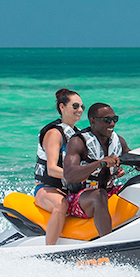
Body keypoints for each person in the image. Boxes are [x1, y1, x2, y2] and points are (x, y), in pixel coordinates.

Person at [63, 102, 140, 236]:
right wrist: (100, 163)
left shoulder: (118, 141)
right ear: (92, 121)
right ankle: (108, 245)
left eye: (114, 119)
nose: (112, 124)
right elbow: (69, 176)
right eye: (107, 120)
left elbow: (138, 164)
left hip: (109, 191)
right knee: (100, 195)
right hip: (79, 198)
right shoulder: (78, 142)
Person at [34, 88, 84, 245]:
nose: (80, 110)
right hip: (46, 189)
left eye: (83, 106)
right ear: (62, 107)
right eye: (75, 106)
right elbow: (51, 169)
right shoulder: (54, 134)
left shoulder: (78, 134)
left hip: (69, 188)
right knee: (61, 204)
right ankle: (49, 251)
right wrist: (76, 176)